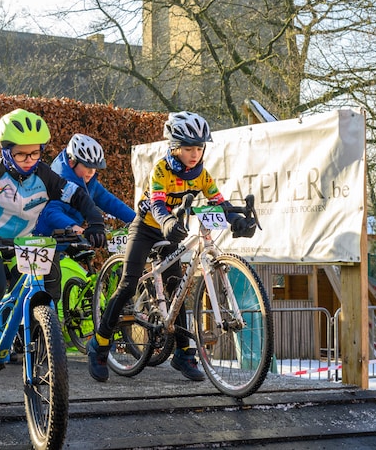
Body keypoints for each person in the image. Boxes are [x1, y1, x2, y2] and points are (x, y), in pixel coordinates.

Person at [88, 111, 257, 383]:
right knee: (128, 285)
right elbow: (156, 203)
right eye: (188, 148)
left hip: (172, 230)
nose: (195, 154)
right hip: (146, 228)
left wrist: (236, 219)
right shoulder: (161, 169)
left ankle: (184, 354)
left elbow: (220, 202)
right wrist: (165, 219)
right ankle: (99, 344)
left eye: (199, 148)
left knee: (177, 287)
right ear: (174, 147)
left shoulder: (202, 174)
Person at [0, 109, 107, 372]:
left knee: (49, 287)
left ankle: (40, 338)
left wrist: (95, 223)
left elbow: (79, 197)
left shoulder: (46, 175)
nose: (29, 160)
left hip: (28, 243)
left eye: (35, 153)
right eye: (21, 154)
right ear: (6, 151)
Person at [33, 133, 136, 235]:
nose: (91, 172)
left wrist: (138, 221)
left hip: (68, 239)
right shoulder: (59, 182)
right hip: (44, 241)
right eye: (87, 167)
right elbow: (52, 212)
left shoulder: (88, 182)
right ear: (72, 163)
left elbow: (110, 202)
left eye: (94, 167)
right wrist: (73, 227)